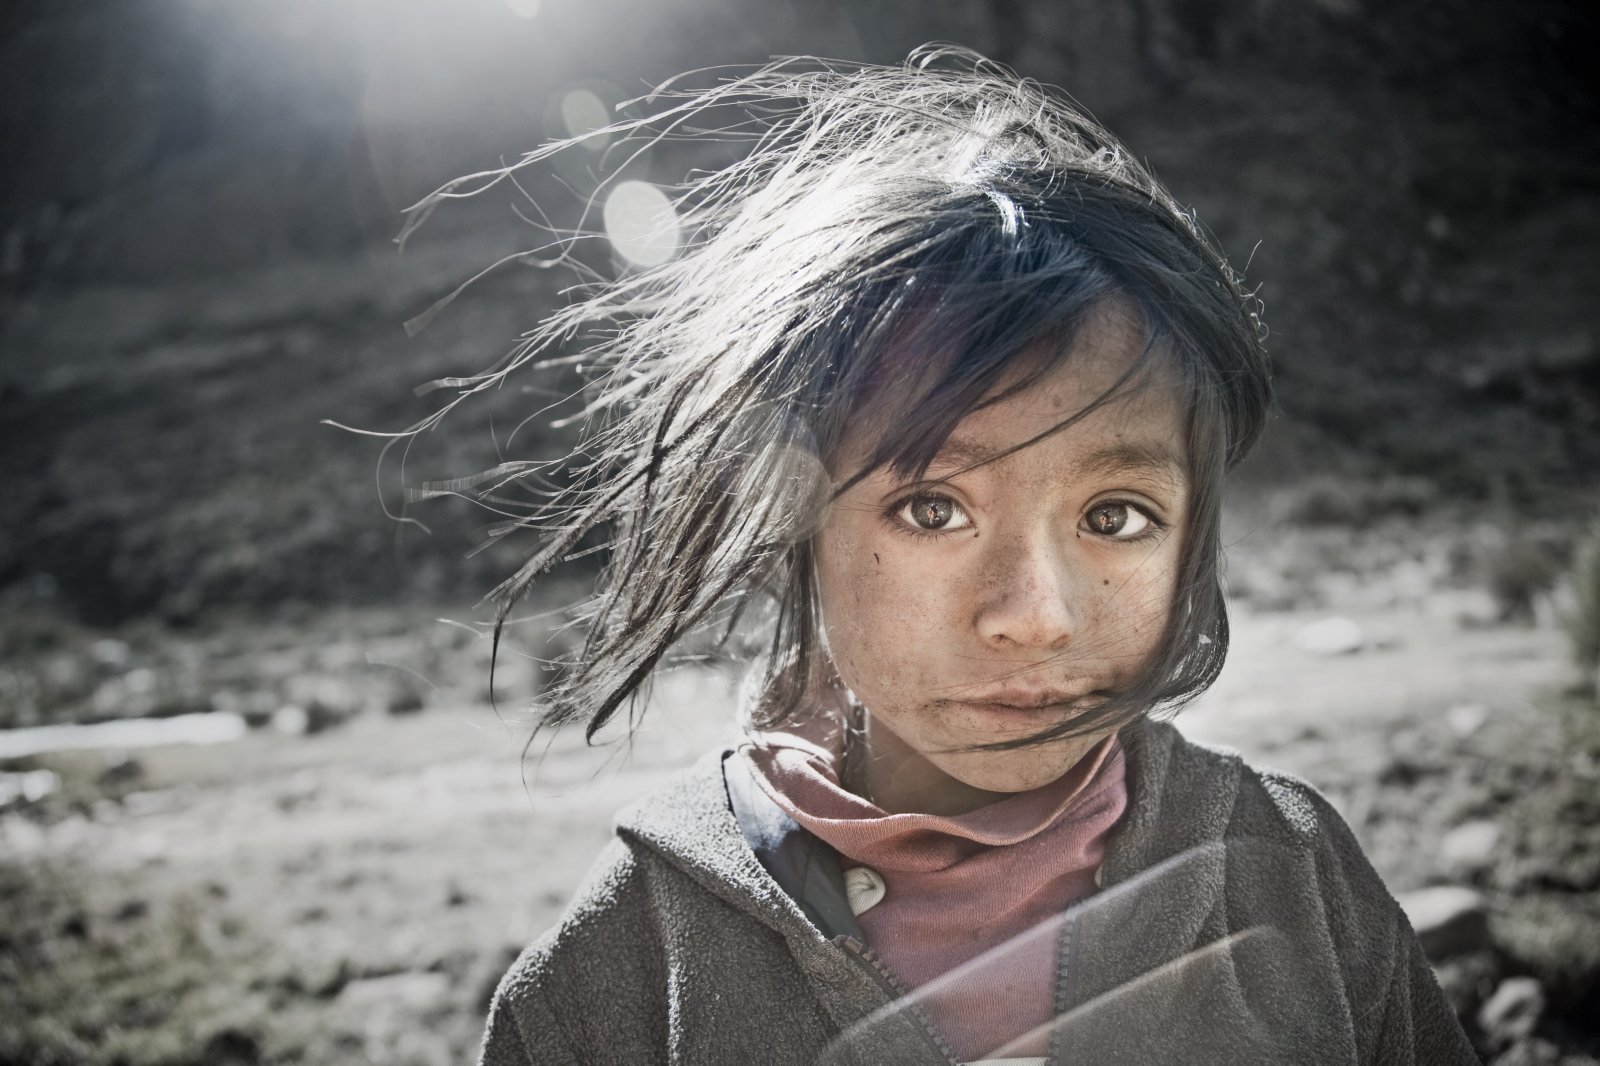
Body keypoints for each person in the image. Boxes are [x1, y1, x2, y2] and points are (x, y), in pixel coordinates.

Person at [454, 48, 1476, 1065]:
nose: (1033, 614)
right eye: (933, 507)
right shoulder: (629, 962)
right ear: (794, 516)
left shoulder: (1290, 877)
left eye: (1115, 516)